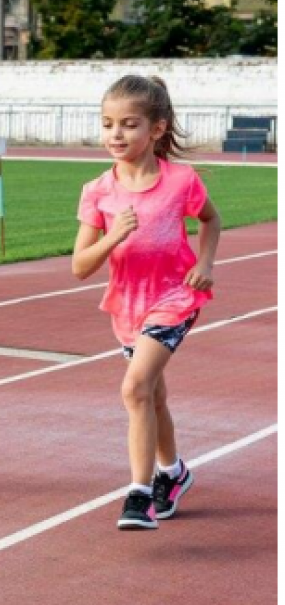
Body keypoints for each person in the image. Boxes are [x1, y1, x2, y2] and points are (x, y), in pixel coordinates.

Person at [71, 75, 221, 530]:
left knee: (134, 388)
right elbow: (80, 265)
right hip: (127, 306)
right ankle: (173, 473)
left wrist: (207, 263)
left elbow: (211, 221)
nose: (115, 135)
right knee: (152, 396)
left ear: (156, 129)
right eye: (108, 124)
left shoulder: (180, 181)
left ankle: (139, 495)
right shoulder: (98, 191)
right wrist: (113, 236)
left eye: (129, 124)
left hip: (175, 297)